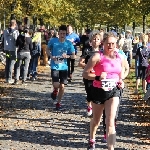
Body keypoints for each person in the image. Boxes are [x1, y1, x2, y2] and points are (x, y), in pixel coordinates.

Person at [82, 32, 124, 150]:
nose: (111, 46)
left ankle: (111, 148)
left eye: (113, 44)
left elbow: (120, 73)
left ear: (116, 44)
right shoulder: (97, 57)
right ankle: (92, 139)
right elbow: (85, 73)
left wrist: (121, 81)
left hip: (113, 91)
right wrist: (97, 77)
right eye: (108, 43)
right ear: (103, 43)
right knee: (96, 120)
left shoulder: (119, 57)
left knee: (110, 122)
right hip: (98, 91)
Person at [47, 25, 75, 110]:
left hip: (64, 67)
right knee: (56, 84)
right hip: (55, 66)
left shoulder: (68, 43)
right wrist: (51, 56)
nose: (63, 35)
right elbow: (47, 50)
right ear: (58, 33)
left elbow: (74, 56)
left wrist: (68, 56)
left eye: (64, 33)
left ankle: (58, 102)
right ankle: (55, 90)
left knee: (62, 86)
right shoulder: (53, 41)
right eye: (61, 33)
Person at [78, 30, 102, 116]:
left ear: (100, 41)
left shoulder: (102, 52)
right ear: (91, 40)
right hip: (88, 75)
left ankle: (96, 107)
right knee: (89, 91)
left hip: (97, 75)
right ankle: (89, 105)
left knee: (97, 91)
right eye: (94, 39)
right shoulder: (87, 50)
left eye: (98, 39)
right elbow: (80, 63)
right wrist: (88, 67)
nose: (96, 40)